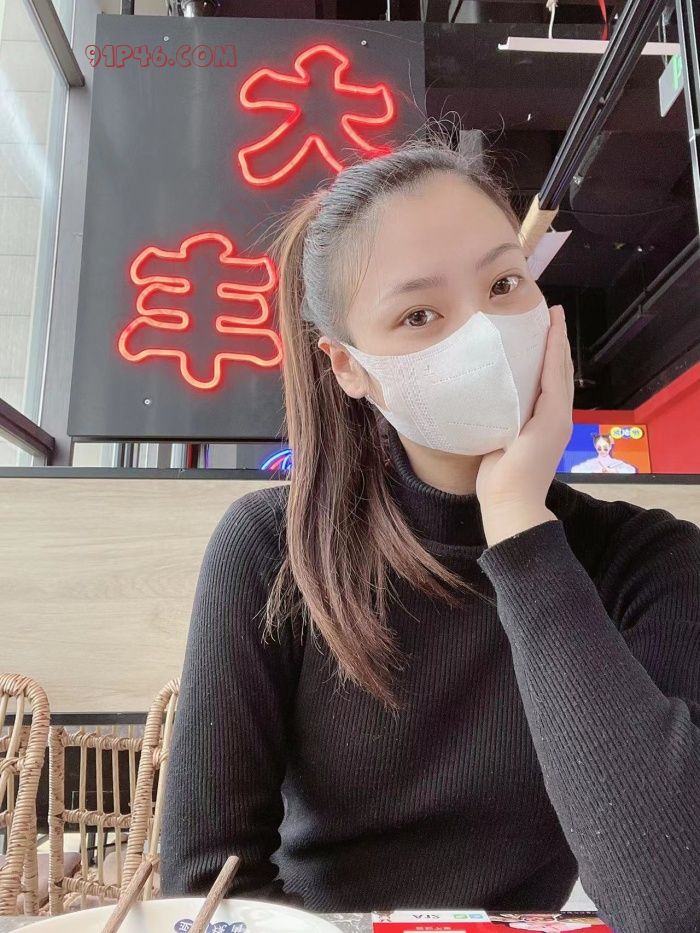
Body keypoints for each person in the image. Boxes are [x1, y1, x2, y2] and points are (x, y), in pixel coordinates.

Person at [159, 130, 700, 932]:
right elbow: (208, 883)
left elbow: (677, 900)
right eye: (419, 314)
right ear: (349, 366)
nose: (483, 331)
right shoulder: (272, 547)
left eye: (504, 283)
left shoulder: (647, 558)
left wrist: (518, 528)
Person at [570, 433, 638, 474]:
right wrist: (594, 471)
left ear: (610, 447)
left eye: (605, 448)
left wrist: (613, 471)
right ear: (595, 447)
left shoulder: (617, 463)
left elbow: (632, 470)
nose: (602, 451)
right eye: (599, 448)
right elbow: (574, 470)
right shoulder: (591, 462)